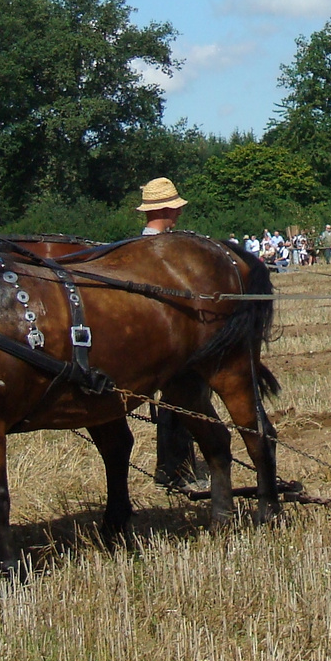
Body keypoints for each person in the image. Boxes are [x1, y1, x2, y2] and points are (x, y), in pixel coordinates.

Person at [136, 177, 204, 488]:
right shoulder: (158, 251)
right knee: (180, 400)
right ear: (165, 210)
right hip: (167, 338)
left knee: (173, 403)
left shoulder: (143, 247)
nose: (178, 214)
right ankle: (176, 468)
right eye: (174, 209)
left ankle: (174, 466)